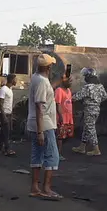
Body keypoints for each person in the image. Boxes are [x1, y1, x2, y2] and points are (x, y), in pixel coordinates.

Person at [28, 54, 61, 201]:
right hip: (44, 124)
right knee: (52, 156)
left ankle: (35, 188)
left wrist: (59, 82)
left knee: (38, 155)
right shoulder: (41, 81)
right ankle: (46, 189)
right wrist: (41, 131)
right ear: (48, 67)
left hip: (36, 123)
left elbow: (45, 93)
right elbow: (39, 107)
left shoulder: (36, 78)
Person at [72, 68, 107, 156]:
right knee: (87, 128)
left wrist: (69, 98)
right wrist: (96, 101)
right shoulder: (100, 86)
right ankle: (82, 147)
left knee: (91, 128)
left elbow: (76, 97)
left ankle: (96, 149)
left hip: (89, 109)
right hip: (97, 109)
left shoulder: (87, 87)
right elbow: (105, 97)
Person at [55, 75, 74, 161]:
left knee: (65, 137)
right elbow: (58, 104)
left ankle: (57, 152)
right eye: (68, 81)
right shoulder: (59, 90)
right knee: (60, 137)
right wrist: (60, 116)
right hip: (62, 117)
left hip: (68, 118)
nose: (70, 83)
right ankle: (57, 154)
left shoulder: (69, 91)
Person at [0, 74, 17, 156]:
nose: (16, 81)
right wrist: (4, 115)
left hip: (8, 113)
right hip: (4, 113)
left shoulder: (10, 89)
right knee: (6, 132)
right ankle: (7, 149)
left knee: (4, 131)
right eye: (15, 79)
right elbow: (0, 103)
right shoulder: (3, 89)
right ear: (12, 80)